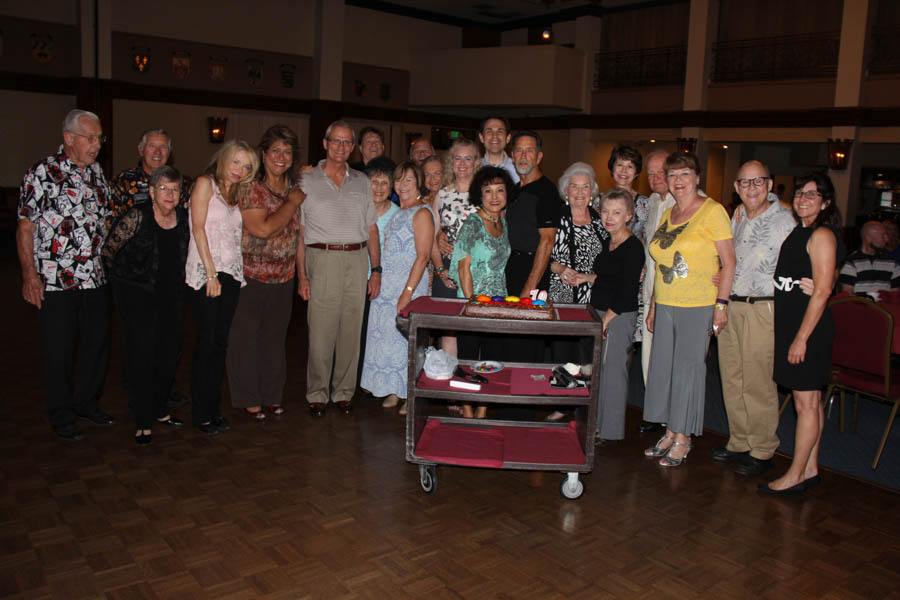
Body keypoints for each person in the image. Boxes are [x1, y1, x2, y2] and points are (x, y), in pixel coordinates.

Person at [16, 108, 116, 441]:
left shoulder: (98, 174)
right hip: (56, 280)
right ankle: (61, 414)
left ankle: (87, 404)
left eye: (99, 138)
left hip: (95, 279)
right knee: (59, 351)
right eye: (90, 137)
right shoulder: (43, 172)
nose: (96, 144)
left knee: (96, 346)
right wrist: (30, 275)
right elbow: (25, 227)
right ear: (68, 138)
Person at [644, 152, 735, 466]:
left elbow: (730, 262)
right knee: (665, 370)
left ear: (697, 177)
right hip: (666, 300)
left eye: (685, 174)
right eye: (672, 175)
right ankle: (670, 429)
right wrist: (654, 304)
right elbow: (661, 263)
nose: (678, 181)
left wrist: (721, 305)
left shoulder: (713, 211)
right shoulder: (670, 213)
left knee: (688, 371)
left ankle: (684, 437)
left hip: (698, 304)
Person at [713, 161, 797, 476]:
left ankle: (762, 448)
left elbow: (805, 258)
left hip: (764, 307)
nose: (751, 188)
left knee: (758, 381)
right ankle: (739, 440)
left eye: (758, 181)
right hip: (730, 305)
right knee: (731, 376)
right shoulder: (733, 219)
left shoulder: (786, 220)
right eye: (745, 183)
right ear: (736, 187)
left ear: (770, 185)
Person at [761, 173, 840, 495]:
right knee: (812, 403)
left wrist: (800, 339)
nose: (804, 198)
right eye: (800, 193)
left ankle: (795, 473)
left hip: (808, 330)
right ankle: (810, 468)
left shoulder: (821, 234)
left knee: (805, 404)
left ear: (826, 202)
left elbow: (821, 292)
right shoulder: (801, 229)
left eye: (812, 194)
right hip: (795, 323)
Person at [297, 121, 381, 417]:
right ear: (325, 142)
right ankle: (317, 393)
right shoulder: (305, 180)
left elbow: (372, 228)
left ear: (353, 147)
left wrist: (377, 269)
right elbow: (300, 233)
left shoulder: (361, 180)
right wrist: (302, 275)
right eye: (336, 141)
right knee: (320, 331)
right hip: (322, 258)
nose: (341, 147)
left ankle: (344, 392)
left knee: (350, 330)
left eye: (347, 143)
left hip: (356, 259)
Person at [102, 166, 189, 444]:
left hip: (171, 298)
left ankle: (160, 408)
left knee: (168, 355)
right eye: (163, 188)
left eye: (174, 189)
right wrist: (120, 288)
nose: (169, 194)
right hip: (137, 297)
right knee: (141, 356)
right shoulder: (136, 216)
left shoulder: (184, 218)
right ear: (151, 191)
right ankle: (142, 417)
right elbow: (108, 251)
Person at [225, 125, 305, 421]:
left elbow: (299, 237)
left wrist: (302, 275)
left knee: (274, 339)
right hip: (251, 277)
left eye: (287, 151)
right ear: (264, 153)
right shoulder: (252, 188)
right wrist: (293, 203)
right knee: (245, 340)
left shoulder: (295, 187)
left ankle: (272, 395)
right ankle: (248, 398)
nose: (281, 157)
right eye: (275, 151)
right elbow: (263, 228)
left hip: (283, 278)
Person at [186, 140, 258, 434]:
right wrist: (211, 274)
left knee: (219, 344)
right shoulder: (205, 183)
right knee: (205, 344)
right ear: (224, 159)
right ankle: (200, 412)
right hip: (208, 274)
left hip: (230, 273)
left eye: (247, 166)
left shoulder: (237, 192)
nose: (240, 170)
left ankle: (212, 408)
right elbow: (198, 228)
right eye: (236, 162)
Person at [361, 162, 435, 416]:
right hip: (388, 284)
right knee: (390, 340)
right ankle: (394, 389)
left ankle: (409, 394)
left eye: (409, 181)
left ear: (419, 184)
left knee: (407, 341)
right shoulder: (396, 213)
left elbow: (423, 256)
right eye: (399, 180)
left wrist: (407, 292)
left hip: (409, 284)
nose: (402, 186)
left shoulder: (422, 213)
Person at [450, 167, 513, 419]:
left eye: (499, 190)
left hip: (498, 302)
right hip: (474, 301)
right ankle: (467, 410)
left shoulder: (503, 221)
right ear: (480, 194)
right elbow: (462, 265)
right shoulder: (473, 223)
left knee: (493, 357)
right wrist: (471, 303)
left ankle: (483, 410)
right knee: (467, 359)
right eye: (488, 191)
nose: (494, 196)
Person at [589, 189, 645, 444]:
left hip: (617, 315)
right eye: (605, 211)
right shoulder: (608, 240)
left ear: (629, 216)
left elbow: (627, 291)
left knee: (613, 374)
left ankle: (609, 430)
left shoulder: (633, 247)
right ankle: (595, 423)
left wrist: (605, 321)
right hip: (601, 312)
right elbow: (610, 278)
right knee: (599, 371)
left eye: (617, 212)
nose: (609, 217)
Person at [505, 130, 561, 363]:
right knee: (509, 339)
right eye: (518, 150)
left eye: (529, 151)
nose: (523, 156)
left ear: (539, 156)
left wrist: (530, 286)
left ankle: (528, 393)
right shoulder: (514, 190)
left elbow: (547, 242)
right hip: (510, 268)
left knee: (528, 342)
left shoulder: (547, 191)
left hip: (532, 271)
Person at [548, 161, 608, 364]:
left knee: (587, 359)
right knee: (562, 357)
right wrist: (560, 268)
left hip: (592, 300)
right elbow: (539, 257)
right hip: (562, 296)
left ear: (592, 191)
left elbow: (612, 259)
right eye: (574, 186)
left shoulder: (601, 221)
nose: (580, 192)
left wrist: (592, 278)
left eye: (585, 186)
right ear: (566, 190)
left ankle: (584, 393)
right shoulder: (554, 217)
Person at [433, 137, 480, 356]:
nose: (462, 164)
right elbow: (432, 235)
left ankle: (470, 379)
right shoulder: (442, 195)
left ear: (476, 163)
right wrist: (440, 267)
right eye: (457, 158)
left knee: (471, 326)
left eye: (467, 159)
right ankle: (448, 378)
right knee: (448, 327)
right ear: (451, 162)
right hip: (447, 269)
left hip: (475, 269)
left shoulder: (486, 195)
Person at [637, 149, 674, 434]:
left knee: (670, 354)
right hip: (650, 287)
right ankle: (656, 410)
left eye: (660, 171)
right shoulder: (652, 201)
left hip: (673, 290)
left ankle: (672, 416)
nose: (654, 177)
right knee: (648, 352)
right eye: (650, 172)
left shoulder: (683, 202)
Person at [357, 156, 399, 393]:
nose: (380, 188)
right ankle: (360, 380)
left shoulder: (397, 214)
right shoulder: (357, 210)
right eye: (375, 182)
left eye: (385, 183)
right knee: (360, 332)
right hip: (355, 279)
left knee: (380, 334)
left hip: (385, 282)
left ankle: (377, 381)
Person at [109, 129, 191, 225]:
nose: (157, 152)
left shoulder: (181, 184)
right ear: (141, 150)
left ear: (169, 152)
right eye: (152, 146)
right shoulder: (123, 181)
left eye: (163, 147)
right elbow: (112, 222)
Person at [838, 220, 900, 295]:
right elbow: (847, 296)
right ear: (868, 238)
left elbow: (895, 295)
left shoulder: (892, 263)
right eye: (883, 236)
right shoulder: (851, 263)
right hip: (858, 305)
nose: (887, 239)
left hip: (884, 306)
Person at [607, 145, 650, 241]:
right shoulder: (599, 200)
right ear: (612, 168)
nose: (624, 170)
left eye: (630, 166)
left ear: (636, 172)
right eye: (620, 165)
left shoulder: (645, 204)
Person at [479, 116, 519, 184]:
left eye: (500, 131)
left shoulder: (518, 170)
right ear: (481, 137)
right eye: (489, 131)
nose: (495, 136)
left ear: (508, 138)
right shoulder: (473, 168)